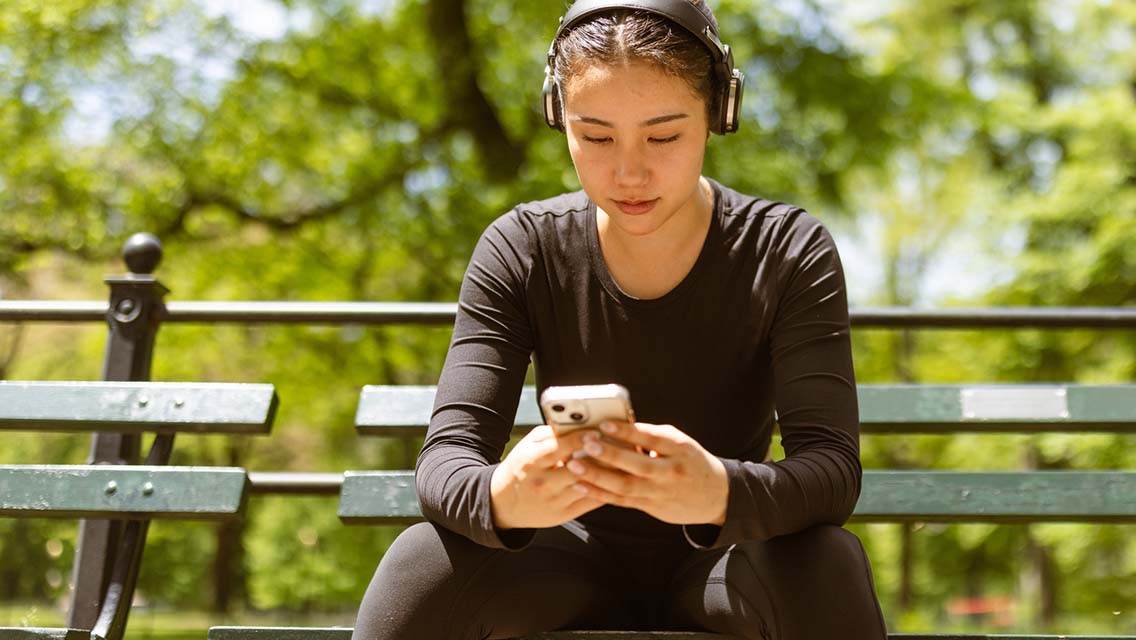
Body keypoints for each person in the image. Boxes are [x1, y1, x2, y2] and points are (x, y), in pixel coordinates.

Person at [352, 0, 888, 638]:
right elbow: (445, 463)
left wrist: (717, 490)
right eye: (596, 137)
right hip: (563, 564)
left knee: (826, 561)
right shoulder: (522, 247)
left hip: (726, 560)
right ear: (560, 118)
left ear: (719, 114)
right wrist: (503, 498)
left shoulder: (786, 249)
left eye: (664, 135)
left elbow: (831, 470)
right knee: (422, 558)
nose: (629, 172)